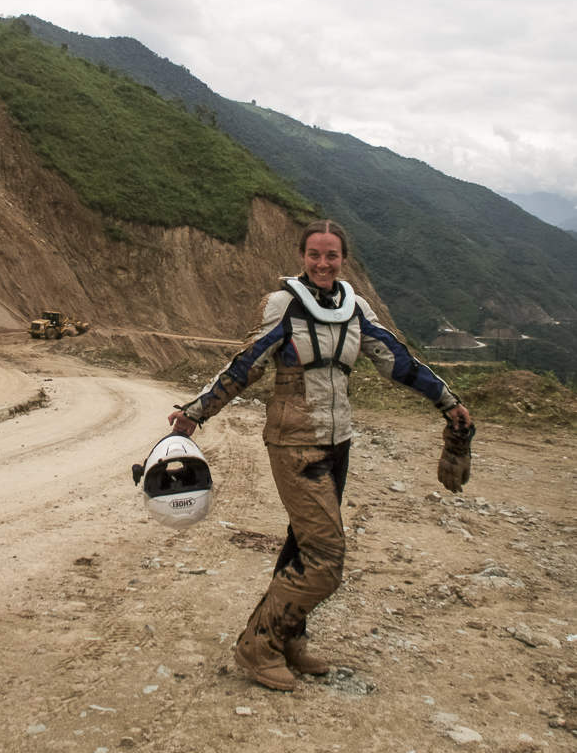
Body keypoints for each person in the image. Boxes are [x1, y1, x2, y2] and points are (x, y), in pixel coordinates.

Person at [167, 218, 474, 692]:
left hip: (339, 441)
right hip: (294, 442)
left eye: (332, 255)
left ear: (342, 259)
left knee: (300, 544)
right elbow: (246, 364)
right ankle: (258, 646)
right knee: (326, 557)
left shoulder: (355, 308)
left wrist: (448, 403)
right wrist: (196, 412)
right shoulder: (283, 306)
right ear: (302, 257)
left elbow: (398, 360)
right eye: (314, 254)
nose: (323, 263)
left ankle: (290, 637)